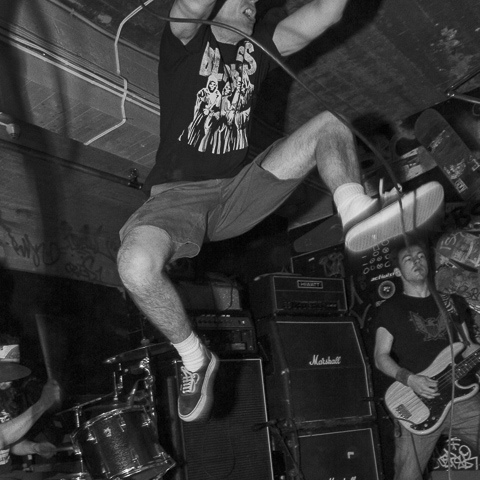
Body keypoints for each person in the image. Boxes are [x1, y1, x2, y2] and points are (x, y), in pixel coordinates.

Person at [117, 0, 415, 423]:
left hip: (239, 189)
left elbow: (327, 13)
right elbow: (189, 5)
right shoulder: (186, 39)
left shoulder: (259, 47)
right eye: (244, 1)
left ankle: (356, 215)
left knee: (330, 123)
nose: (253, 6)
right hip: (178, 198)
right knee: (134, 266)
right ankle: (195, 358)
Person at [374, 239, 480, 480]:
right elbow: (381, 357)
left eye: (420, 256)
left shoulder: (451, 302)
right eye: (408, 259)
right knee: (407, 475)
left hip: (462, 397)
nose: (416, 261)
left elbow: (466, 347)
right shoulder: (391, 309)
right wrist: (409, 379)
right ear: (398, 271)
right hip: (417, 402)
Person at [0, 339, 62, 480]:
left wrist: (34, 447)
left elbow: (11, 442)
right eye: (4, 371)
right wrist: (42, 403)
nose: (10, 379)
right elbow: (1, 437)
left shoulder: (3, 398)